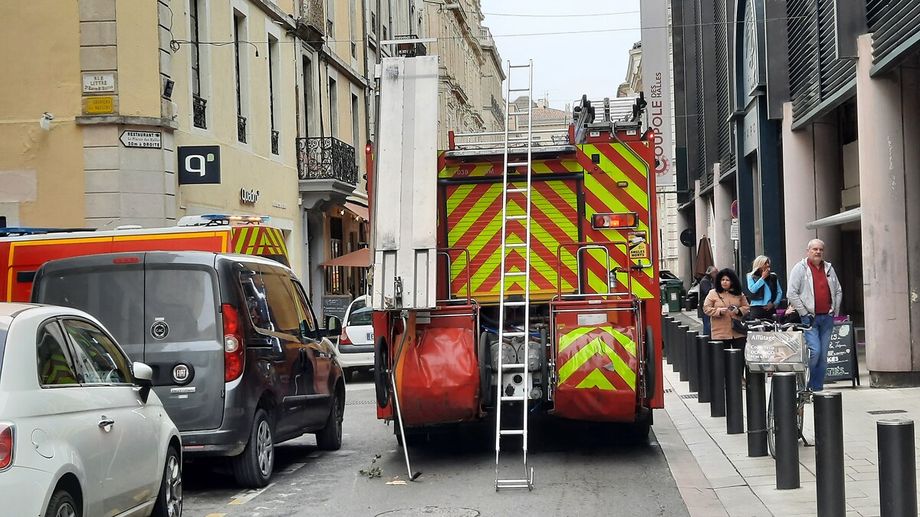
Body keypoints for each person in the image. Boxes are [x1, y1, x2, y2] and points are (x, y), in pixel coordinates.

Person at [787, 239, 843, 392]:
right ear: (808, 251)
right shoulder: (800, 268)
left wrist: (834, 311)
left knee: (823, 355)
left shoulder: (829, 268)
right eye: (814, 249)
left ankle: (817, 388)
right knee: (815, 352)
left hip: (827, 317)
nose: (818, 252)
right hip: (810, 318)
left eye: (820, 249)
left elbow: (838, 290)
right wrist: (804, 313)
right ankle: (806, 383)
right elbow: (791, 293)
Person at [702, 268, 750, 358]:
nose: (724, 282)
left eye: (727, 280)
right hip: (720, 332)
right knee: (721, 359)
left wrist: (738, 311)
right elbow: (706, 308)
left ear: (732, 281)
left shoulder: (738, 293)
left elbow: (746, 307)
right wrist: (718, 311)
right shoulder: (713, 293)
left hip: (737, 331)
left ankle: (738, 372)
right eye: (722, 280)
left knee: (740, 357)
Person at [746, 255, 783, 320]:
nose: (767, 265)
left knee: (771, 328)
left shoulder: (773, 276)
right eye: (765, 263)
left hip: (770, 307)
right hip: (756, 308)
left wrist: (774, 303)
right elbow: (752, 289)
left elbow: (779, 292)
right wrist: (762, 278)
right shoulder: (751, 276)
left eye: (768, 263)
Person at [697, 266, 718, 336]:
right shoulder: (705, 281)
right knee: (707, 324)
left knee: (710, 323)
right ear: (711, 273)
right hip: (706, 305)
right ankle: (706, 340)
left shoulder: (711, 280)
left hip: (710, 305)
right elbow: (708, 292)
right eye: (715, 272)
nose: (716, 274)